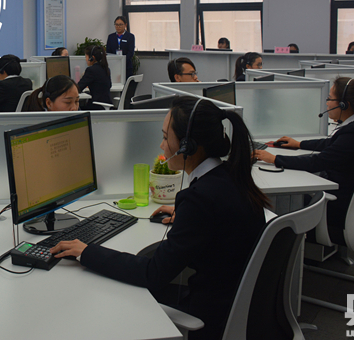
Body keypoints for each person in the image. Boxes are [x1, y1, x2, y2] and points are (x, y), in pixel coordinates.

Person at [50, 97, 268, 340]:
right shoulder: (229, 178)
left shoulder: (200, 200)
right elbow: (221, 224)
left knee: (110, 299)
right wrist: (186, 218)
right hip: (238, 308)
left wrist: (87, 252)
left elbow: (153, 274)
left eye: (165, 137)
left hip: (210, 320)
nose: (161, 145)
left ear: (188, 146)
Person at [254, 78, 354, 239]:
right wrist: (299, 144)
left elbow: (318, 162)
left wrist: (275, 159)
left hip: (338, 205)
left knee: (283, 196)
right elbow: (330, 144)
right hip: (348, 196)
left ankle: (281, 242)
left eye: (330, 98)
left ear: (344, 105)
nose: (327, 103)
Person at [77, 45, 113, 109]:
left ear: (92, 58)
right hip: (106, 105)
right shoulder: (106, 69)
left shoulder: (91, 70)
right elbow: (109, 85)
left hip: (96, 106)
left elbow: (79, 88)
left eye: (86, 57)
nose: (86, 60)